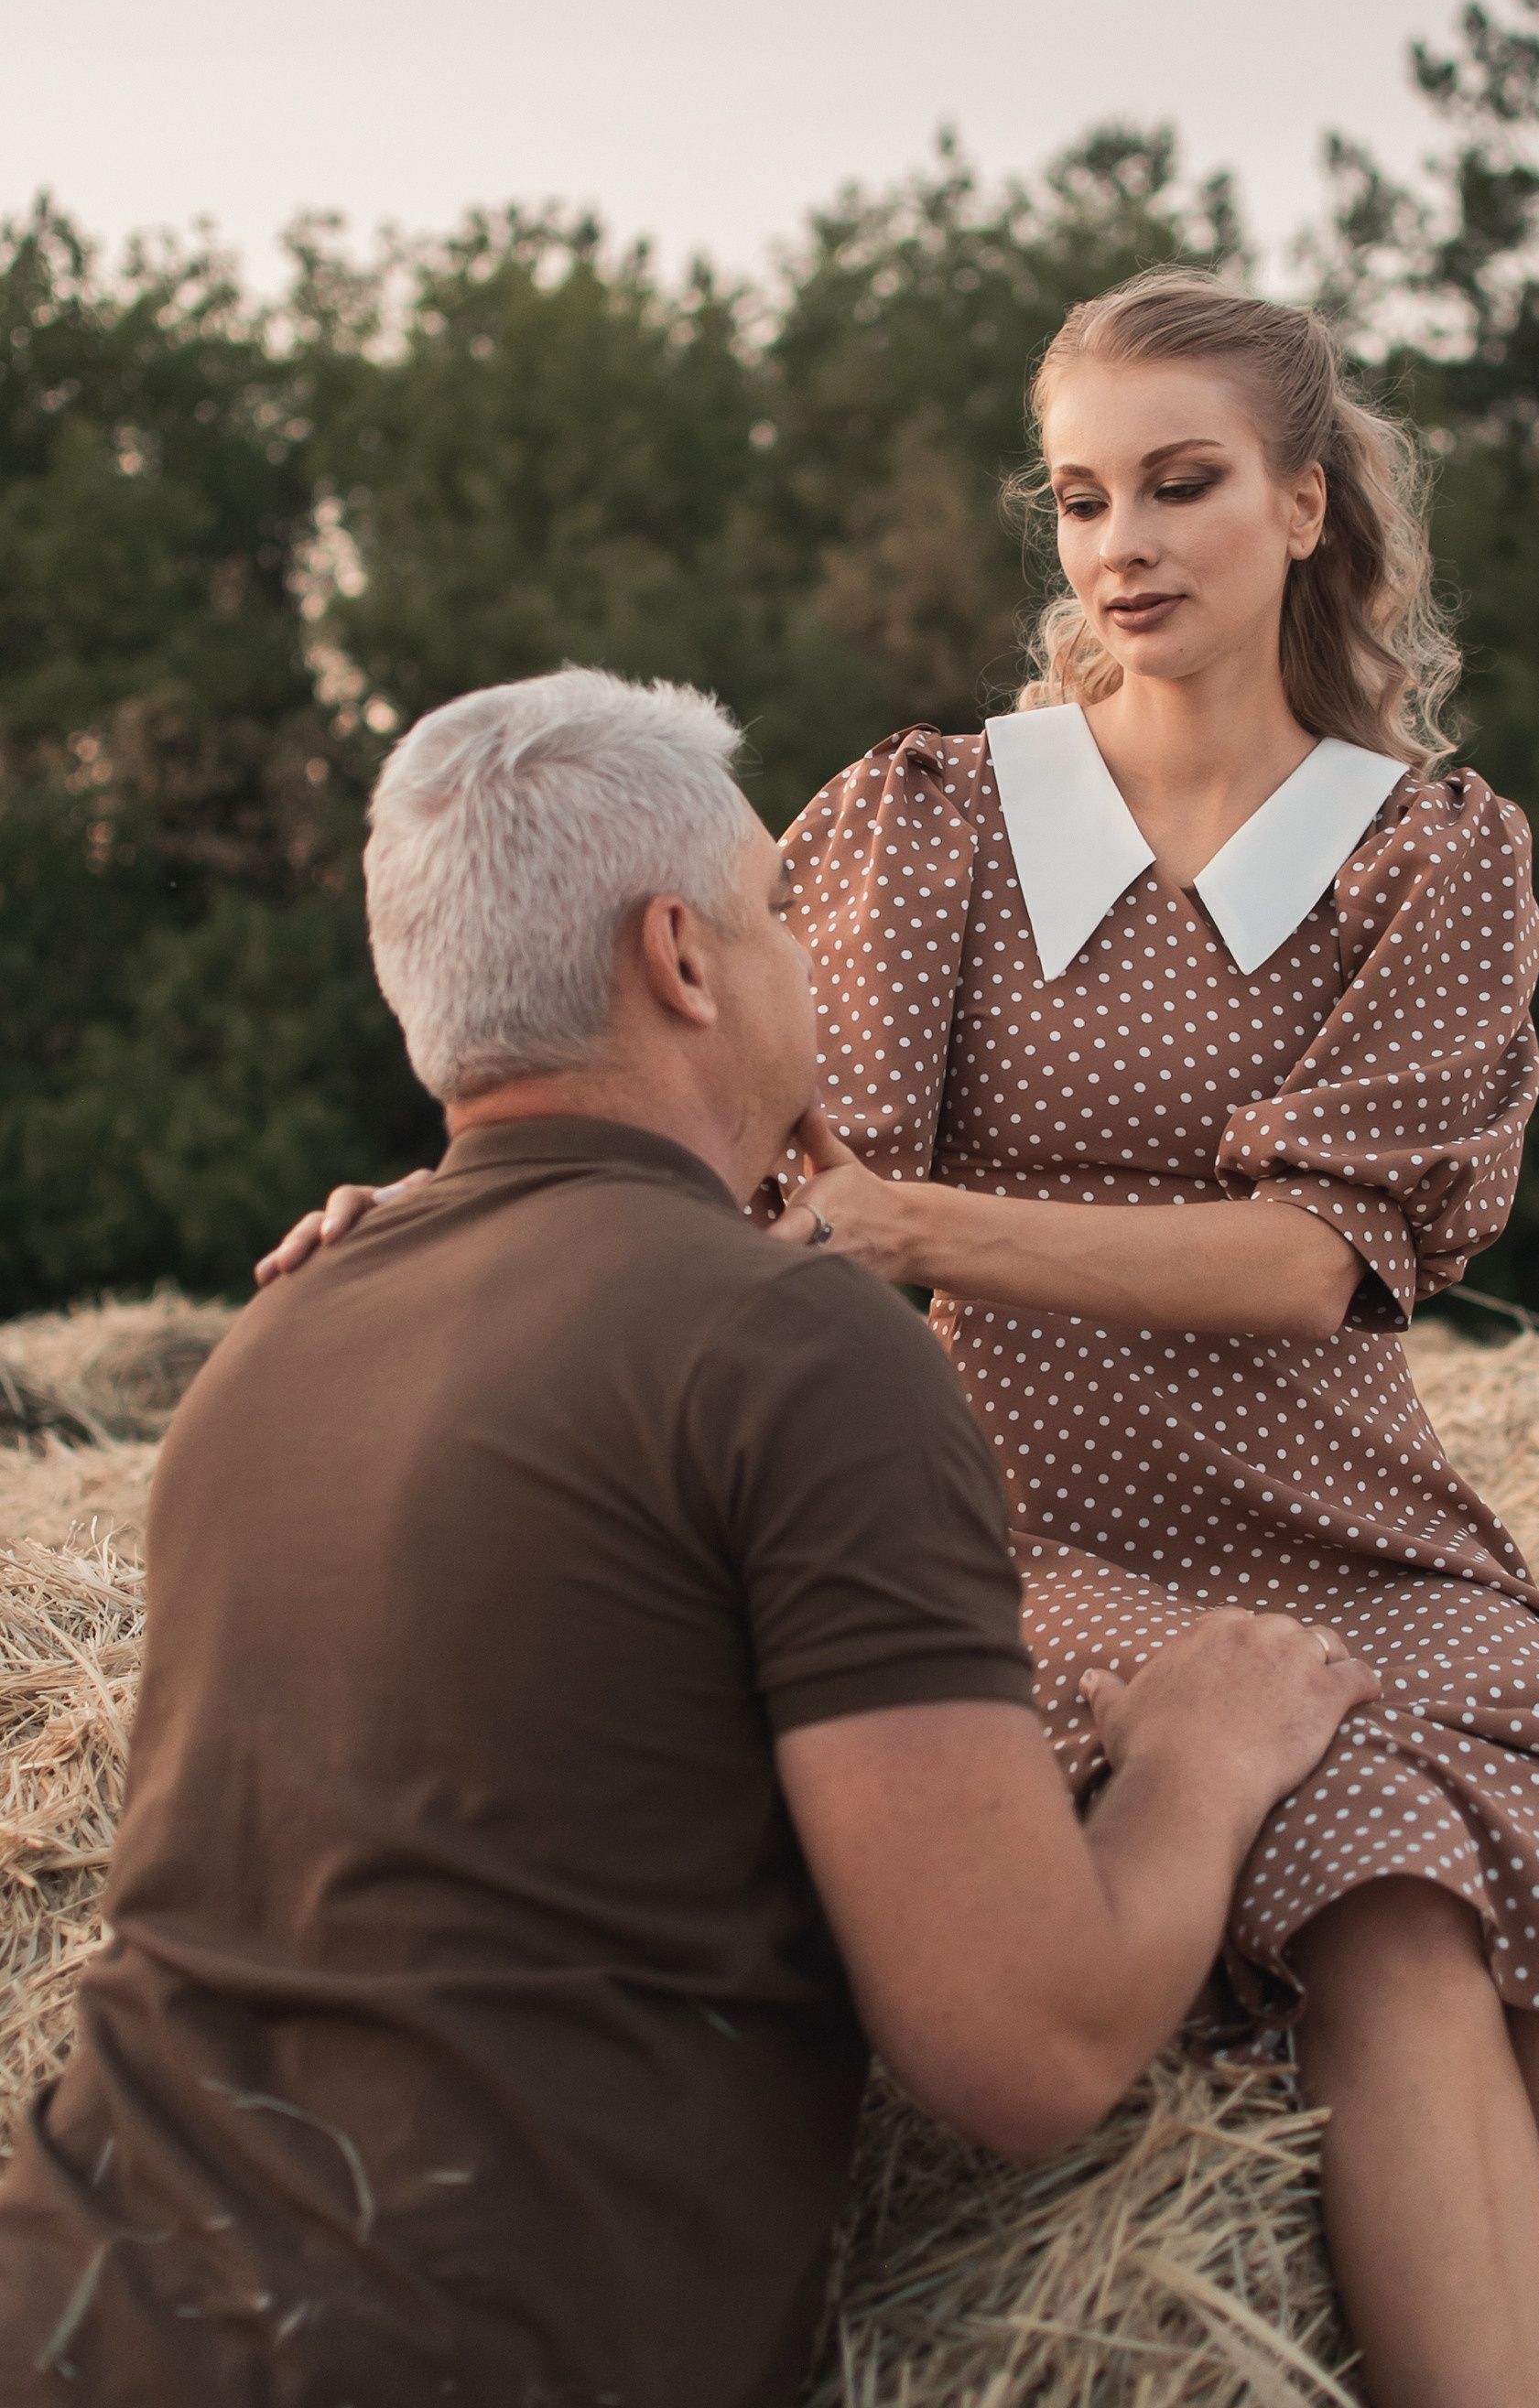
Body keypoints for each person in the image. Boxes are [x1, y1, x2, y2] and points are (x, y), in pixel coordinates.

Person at [259, 275, 1539, 2408]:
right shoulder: (934, 811)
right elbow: (696, 1099)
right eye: (1083, 499)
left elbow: (1319, 1256)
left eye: (1179, 485)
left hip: (1349, 1525)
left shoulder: (1433, 854)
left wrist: (924, 1221)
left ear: (1306, 501)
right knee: (1399, 1893)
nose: (1124, 546)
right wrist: (430, 1216)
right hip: (1014, 1526)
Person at [0, 669, 1376, 2407]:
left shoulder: (266, 1347)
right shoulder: (794, 1351)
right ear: (682, 957)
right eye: (779, 915)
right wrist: (1204, 1749)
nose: (808, 962)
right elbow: (1027, 2047)